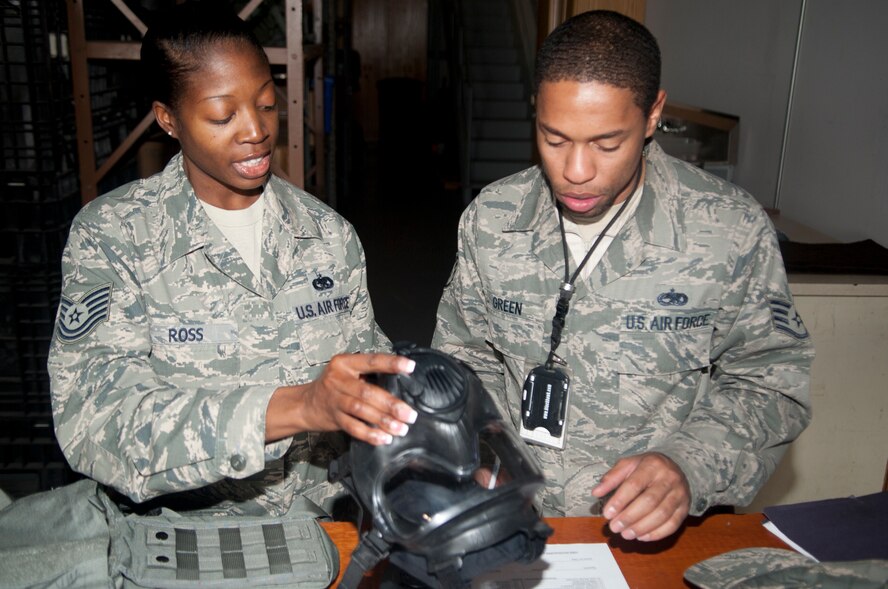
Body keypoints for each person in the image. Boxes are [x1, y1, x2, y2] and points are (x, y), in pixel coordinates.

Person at [433, 10, 814, 542]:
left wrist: (689, 464)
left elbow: (771, 382)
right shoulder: (493, 219)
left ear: (653, 114)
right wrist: (481, 450)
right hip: (514, 526)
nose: (576, 171)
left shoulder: (727, 230)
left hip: (651, 538)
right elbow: (464, 359)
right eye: (554, 138)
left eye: (607, 144)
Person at [46, 1, 416, 517]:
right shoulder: (114, 237)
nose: (255, 130)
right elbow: (97, 424)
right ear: (168, 119)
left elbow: (366, 375)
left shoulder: (327, 234)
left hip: (323, 523)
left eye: (266, 104)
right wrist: (295, 407)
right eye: (223, 115)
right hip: (193, 534)